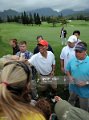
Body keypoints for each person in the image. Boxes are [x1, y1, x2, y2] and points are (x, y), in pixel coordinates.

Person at [66, 41, 89, 111]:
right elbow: (67, 70)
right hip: (73, 88)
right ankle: (71, 112)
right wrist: (69, 77)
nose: (77, 54)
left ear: (85, 51)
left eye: (79, 51)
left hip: (85, 91)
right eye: (76, 51)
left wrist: (86, 83)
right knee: (71, 101)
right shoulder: (72, 60)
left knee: (84, 109)